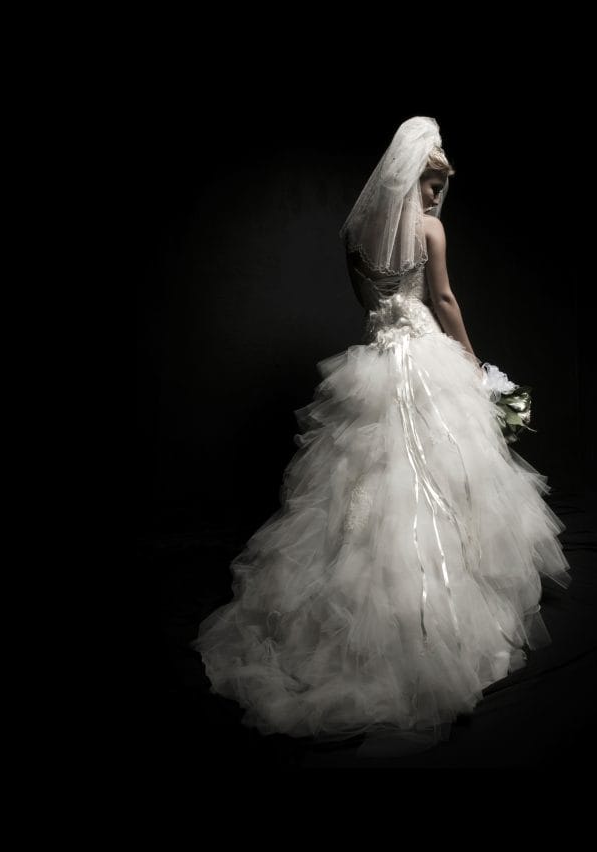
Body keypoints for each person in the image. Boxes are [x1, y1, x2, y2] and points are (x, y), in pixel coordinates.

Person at [190, 115, 571, 751]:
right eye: (429, 181)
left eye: (438, 184)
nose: (434, 194)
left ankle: (377, 601)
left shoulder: (358, 236)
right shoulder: (429, 231)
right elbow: (443, 301)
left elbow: (370, 308)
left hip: (375, 358)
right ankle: (432, 619)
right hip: (423, 355)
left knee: (368, 479)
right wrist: (475, 363)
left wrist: (394, 325)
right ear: (411, 177)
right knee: (433, 474)